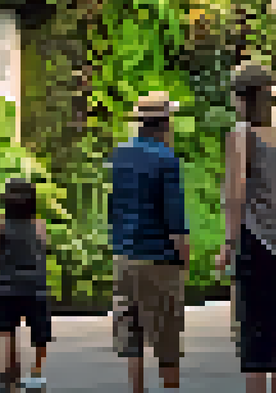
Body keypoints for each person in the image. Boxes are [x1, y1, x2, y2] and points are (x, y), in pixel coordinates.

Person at [215, 63, 276, 393]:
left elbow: (236, 191)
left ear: (243, 97)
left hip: (255, 243)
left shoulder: (241, 134)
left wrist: (228, 242)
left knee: (253, 337)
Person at [108, 92, 190, 393]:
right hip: (159, 258)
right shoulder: (167, 159)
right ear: (164, 124)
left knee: (132, 337)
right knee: (167, 339)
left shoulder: (118, 156)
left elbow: (113, 207)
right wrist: (184, 259)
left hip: (124, 257)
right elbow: (176, 220)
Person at [0, 177, 52, 393]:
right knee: (40, 332)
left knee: (6, 330)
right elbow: (45, 250)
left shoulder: (2, 224)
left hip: (8, 285)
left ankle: (8, 375)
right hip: (36, 286)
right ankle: (36, 374)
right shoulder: (39, 224)